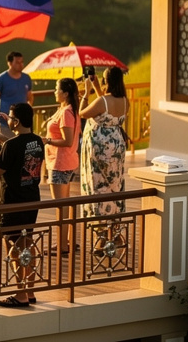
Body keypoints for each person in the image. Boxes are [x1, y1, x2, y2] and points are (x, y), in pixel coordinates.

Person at [0, 102, 44, 308]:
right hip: (32, 199)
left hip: (12, 203)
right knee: (28, 244)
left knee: (14, 248)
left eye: (10, 118)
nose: (7, 120)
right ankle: (30, 290)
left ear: (16, 121)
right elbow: (20, 146)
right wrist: (1, 138)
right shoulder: (37, 141)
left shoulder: (10, 146)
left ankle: (20, 294)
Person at [79, 67, 128, 218]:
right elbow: (107, 109)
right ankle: (113, 219)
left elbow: (82, 113)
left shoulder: (102, 101)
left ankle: (99, 220)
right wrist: (98, 89)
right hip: (117, 145)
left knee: (99, 182)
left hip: (101, 148)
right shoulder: (125, 101)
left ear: (106, 81)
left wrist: (87, 93)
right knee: (114, 183)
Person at [43, 78, 80, 255]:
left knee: (61, 206)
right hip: (64, 161)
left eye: (56, 89)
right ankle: (67, 241)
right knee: (65, 204)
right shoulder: (68, 109)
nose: (54, 91)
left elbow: (67, 140)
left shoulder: (66, 112)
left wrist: (47, 140)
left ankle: (63, 245)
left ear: (65, 93)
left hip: (60, 162)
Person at [0, 52, 33, 135]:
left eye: (22, 62)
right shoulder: (1, 79)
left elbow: (30, 96)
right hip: (6, 123)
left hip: (22, 124)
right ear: (9, 63)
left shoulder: (26, 78)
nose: (21, 65)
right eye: (17, 62)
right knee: (8, 145)